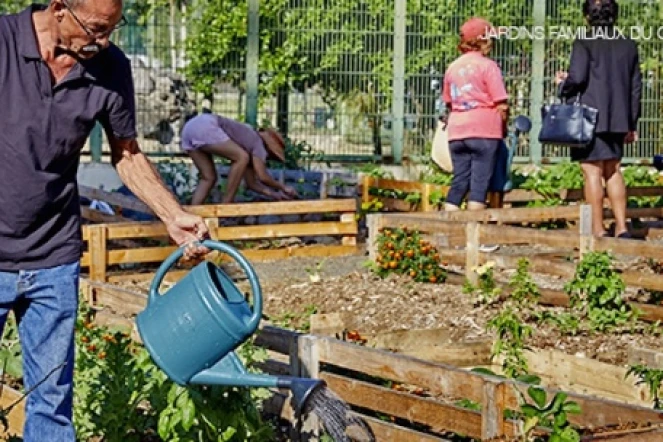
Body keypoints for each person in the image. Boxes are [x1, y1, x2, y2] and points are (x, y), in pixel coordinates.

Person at [0, 1, 211, 440]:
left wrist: (173, 216)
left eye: (112, 28)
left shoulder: (110, 67)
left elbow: (127, 152)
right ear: (59, 7)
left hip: (53, 257)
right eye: (95, 29)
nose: (104, 41)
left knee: (52, 401)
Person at [555, 0, 642, 239]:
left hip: (588, 118)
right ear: (615, 15)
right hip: (619, 118)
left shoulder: (584, 41)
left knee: (591, 171)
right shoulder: (628, 44)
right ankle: (623, 227)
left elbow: (578, 78)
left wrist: (563, 84)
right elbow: (636, 87)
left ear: (587, 17)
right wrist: (631, 122)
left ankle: (598, 229)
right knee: (613, 169)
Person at [441, 17, 510, 213]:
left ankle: (449, 234)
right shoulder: (488, 66)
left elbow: (448, 101)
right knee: (479, 187)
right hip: (484, 131)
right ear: (483, 41)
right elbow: (501, 104)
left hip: (457, 132)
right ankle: (475, 239)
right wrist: (503, 127)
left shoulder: (452, 67)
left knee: (459, 182)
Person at [180, 112, 299, 204]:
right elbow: (263, 177)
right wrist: (283, 187)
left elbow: (252, 183)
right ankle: (226, 204)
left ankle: (193, 211)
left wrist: (274, 195)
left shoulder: (247, 142)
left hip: (190, 128)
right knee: (242, 157)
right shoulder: (258, 143)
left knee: (208, 177)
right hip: (208, 126)